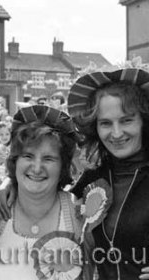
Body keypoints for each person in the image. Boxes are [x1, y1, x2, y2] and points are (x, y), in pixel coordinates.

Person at [0, 105, 92, 280]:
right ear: (15, 161)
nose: (37, 168)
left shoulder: (79, 215)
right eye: (28, 156)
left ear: (63, 166)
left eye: (48, 158)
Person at [67, 66, 149, 280]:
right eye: (105, 123)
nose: (116, 133)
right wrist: (9, 186)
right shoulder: (91, 180)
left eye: (126, 120)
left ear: (144, 121)